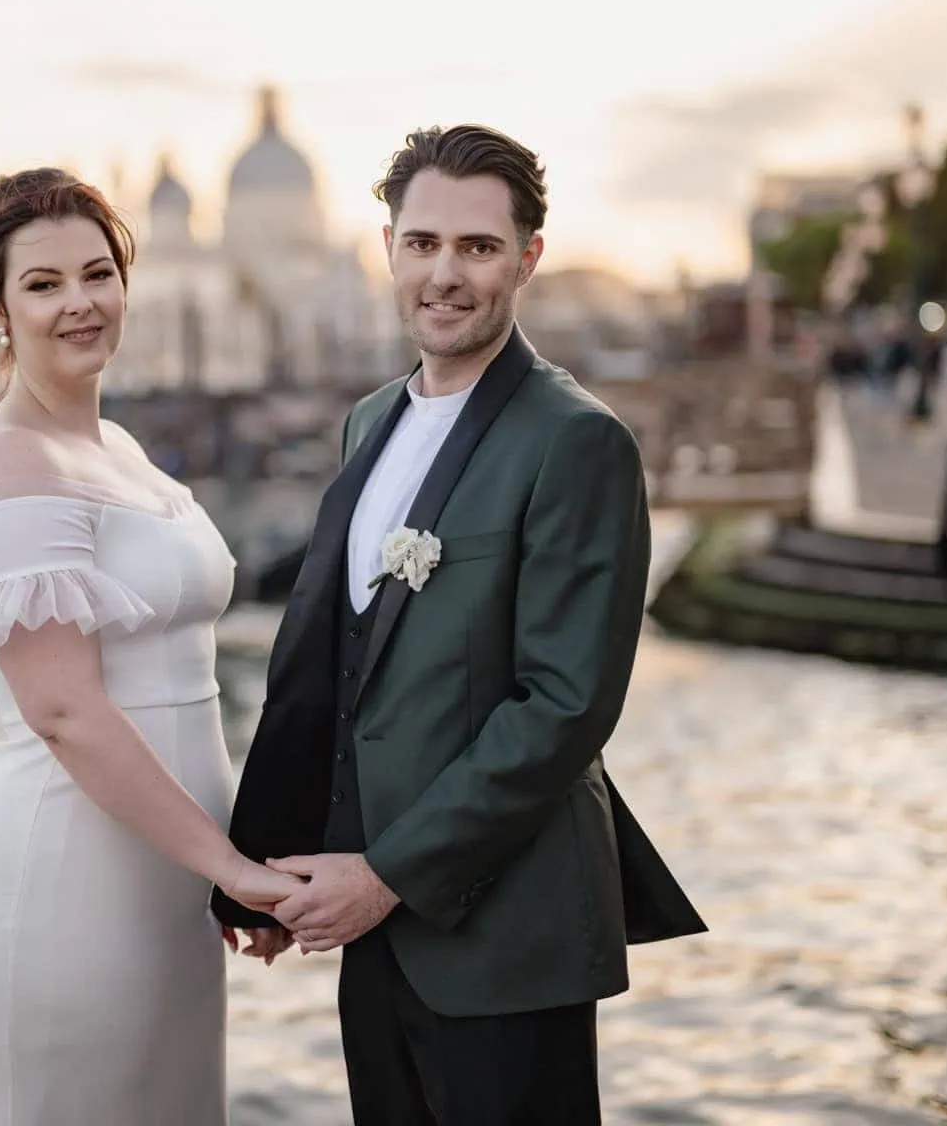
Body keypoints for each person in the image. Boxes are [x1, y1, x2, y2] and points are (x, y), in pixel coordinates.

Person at [213, 125, 707, 1125]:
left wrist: (387, 875)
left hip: (504, 936)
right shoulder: (368, 421)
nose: (446, 272)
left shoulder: (577, 441)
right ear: (390, 246)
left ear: (526, 258)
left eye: (477, 247)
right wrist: (270, 870)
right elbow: (341, 669)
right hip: (372, 931)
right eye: (423, 242)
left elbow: (563, 706)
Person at [0, 168, 302, 1125]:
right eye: (43, 284)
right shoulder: (6, 462)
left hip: (169, 868)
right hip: (70, 866)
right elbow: (65, 711)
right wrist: (232, 868)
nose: (79, 303)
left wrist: (219, 867)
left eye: (98, 273)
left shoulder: (120, 451)